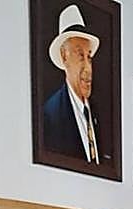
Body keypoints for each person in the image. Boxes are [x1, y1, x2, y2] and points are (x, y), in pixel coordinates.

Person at [41, 4, 101, 162]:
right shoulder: (50, 115)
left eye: (89, 57)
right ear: (64, 56)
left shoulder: (99, 113)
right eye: (80, 56)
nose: (88, 68)